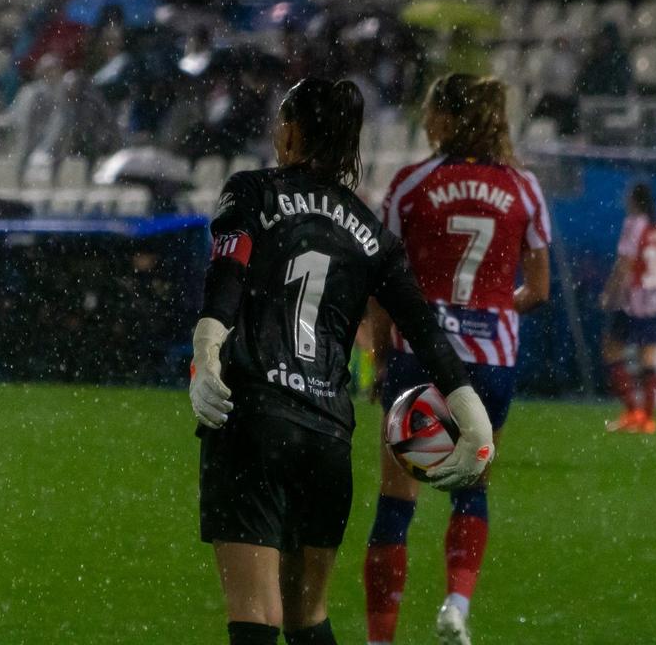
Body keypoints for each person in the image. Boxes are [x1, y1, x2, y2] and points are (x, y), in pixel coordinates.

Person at [189, 78, 496, 645]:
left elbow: (227, 278)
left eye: (282, 120)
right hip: (326, 432)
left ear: (293, 132)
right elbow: (422, 328)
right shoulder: (373, 235)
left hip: (254, 418)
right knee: (308, 616)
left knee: (256, 612)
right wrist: (470, 411)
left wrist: (206, 351)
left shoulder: (252, 191)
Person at [363, 74, 552, 645]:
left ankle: (380, 639)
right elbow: (539, 289)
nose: (425, 122)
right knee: (472, 488)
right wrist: (493, 310)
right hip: (491, 362)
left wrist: (379, 358)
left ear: (447, 118)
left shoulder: (412, 184)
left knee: (396, 503)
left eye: (430, 112)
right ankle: (456, 606)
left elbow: (382, 286)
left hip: (421, 357)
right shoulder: (524, 188)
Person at [601, 183, 656, 434]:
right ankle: (648, 418)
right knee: (648, 359)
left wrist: (610, 292)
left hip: (634, 300)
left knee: (611, 350)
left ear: (633, 199)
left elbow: (626, 262)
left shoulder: (635, 223)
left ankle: (633, 411)